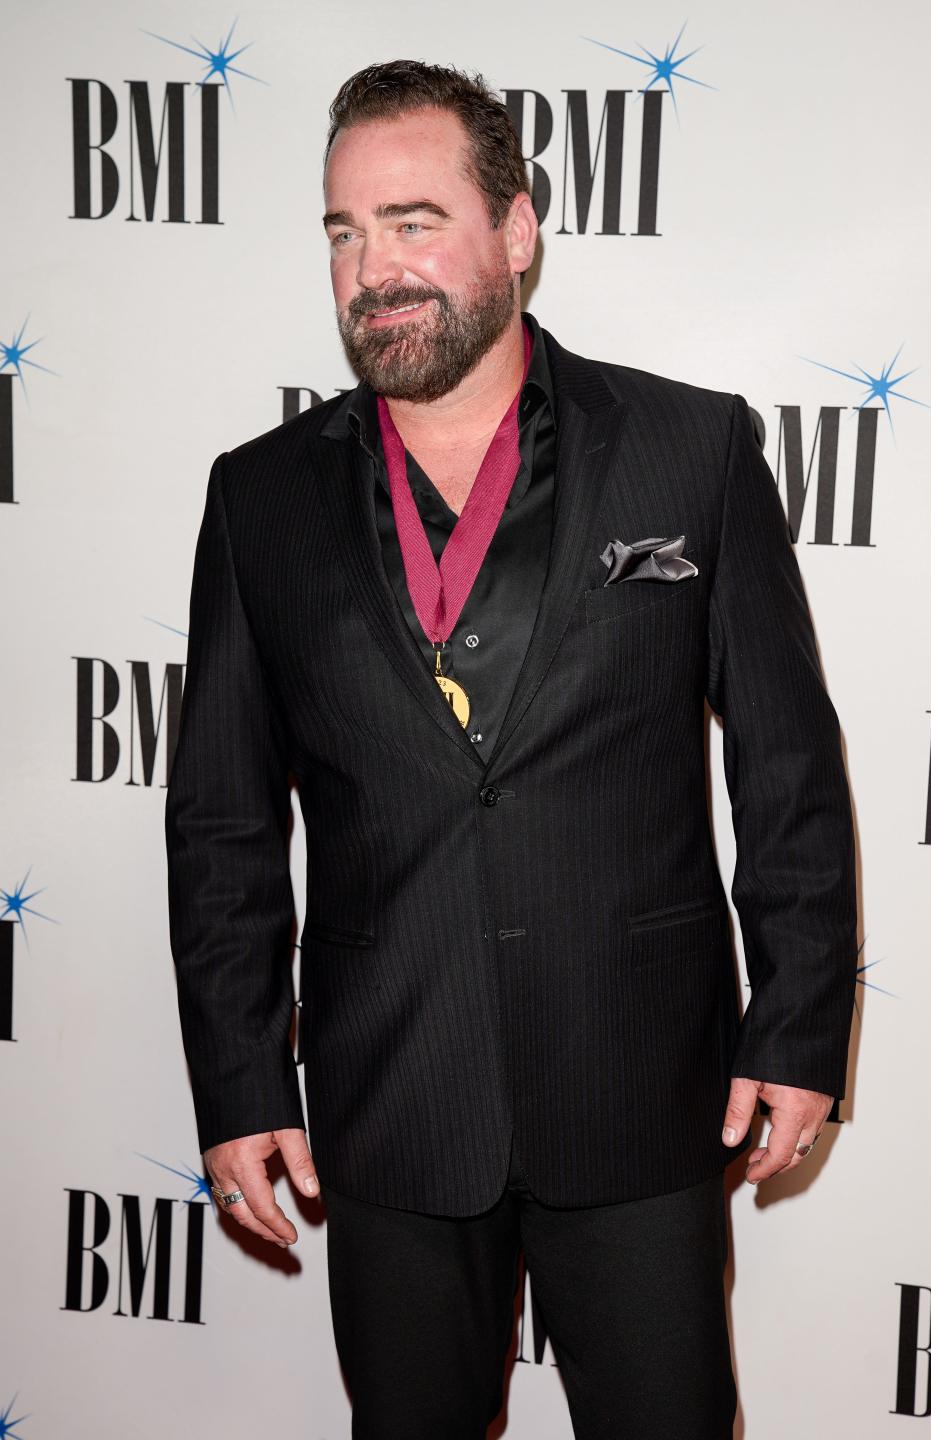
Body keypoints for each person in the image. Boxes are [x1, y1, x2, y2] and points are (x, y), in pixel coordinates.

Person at [165, 59, 858, 1440]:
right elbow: (225, 822)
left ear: (519, 232)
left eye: (414, 221)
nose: (376, 269)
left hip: (643, 1084)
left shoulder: (690, 450)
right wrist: (241, 1083)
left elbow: (785, 764)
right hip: (391, 1094)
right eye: (345, 233)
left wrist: (797, 1025)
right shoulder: (258, 497)